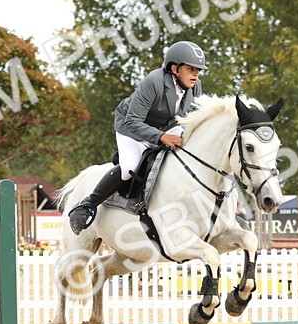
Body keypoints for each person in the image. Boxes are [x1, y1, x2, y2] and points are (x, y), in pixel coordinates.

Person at [67, 41, 207, 234]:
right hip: (131, 127)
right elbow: (133, 121)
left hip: (165, 128)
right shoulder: (154, 81)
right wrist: (161, 137)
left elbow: (191, 119)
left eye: (198, 70)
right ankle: (87, 205)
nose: (196, 74)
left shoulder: (195, 87)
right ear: (175, 69)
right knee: (130, 168)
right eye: (190, 69)